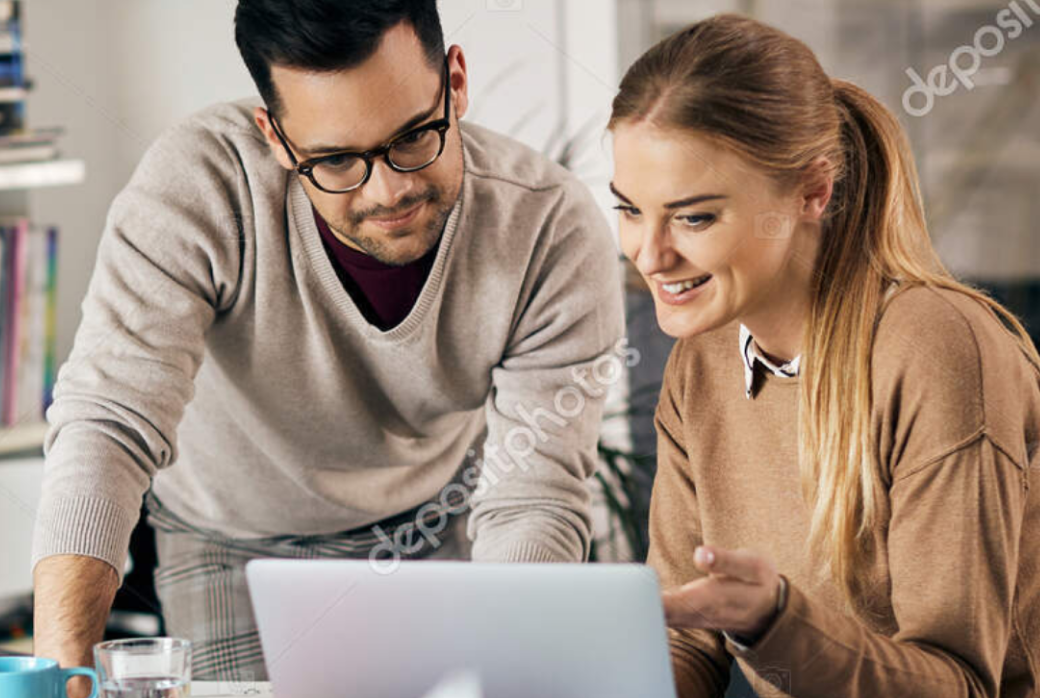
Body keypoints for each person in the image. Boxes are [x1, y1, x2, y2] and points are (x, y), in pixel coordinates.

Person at [31, 0, 624, 683]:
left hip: (430, 526)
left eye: (412, 137)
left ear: (455, 82)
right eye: (336, 160)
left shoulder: (549, 227)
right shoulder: (198, 185)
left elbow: (533, 495)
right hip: (227, 542)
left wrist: (511, 669)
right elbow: (109, 420)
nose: (389, 190)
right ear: (276, 138)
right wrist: (61, 668)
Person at [608, 13, 1040, 698]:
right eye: (629, 209)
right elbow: (685, 634)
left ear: (813, 190)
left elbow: (961, 685)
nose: (649, 256)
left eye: (693, 217)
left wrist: (776, 622)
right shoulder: (704, 357)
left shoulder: (938, 348)